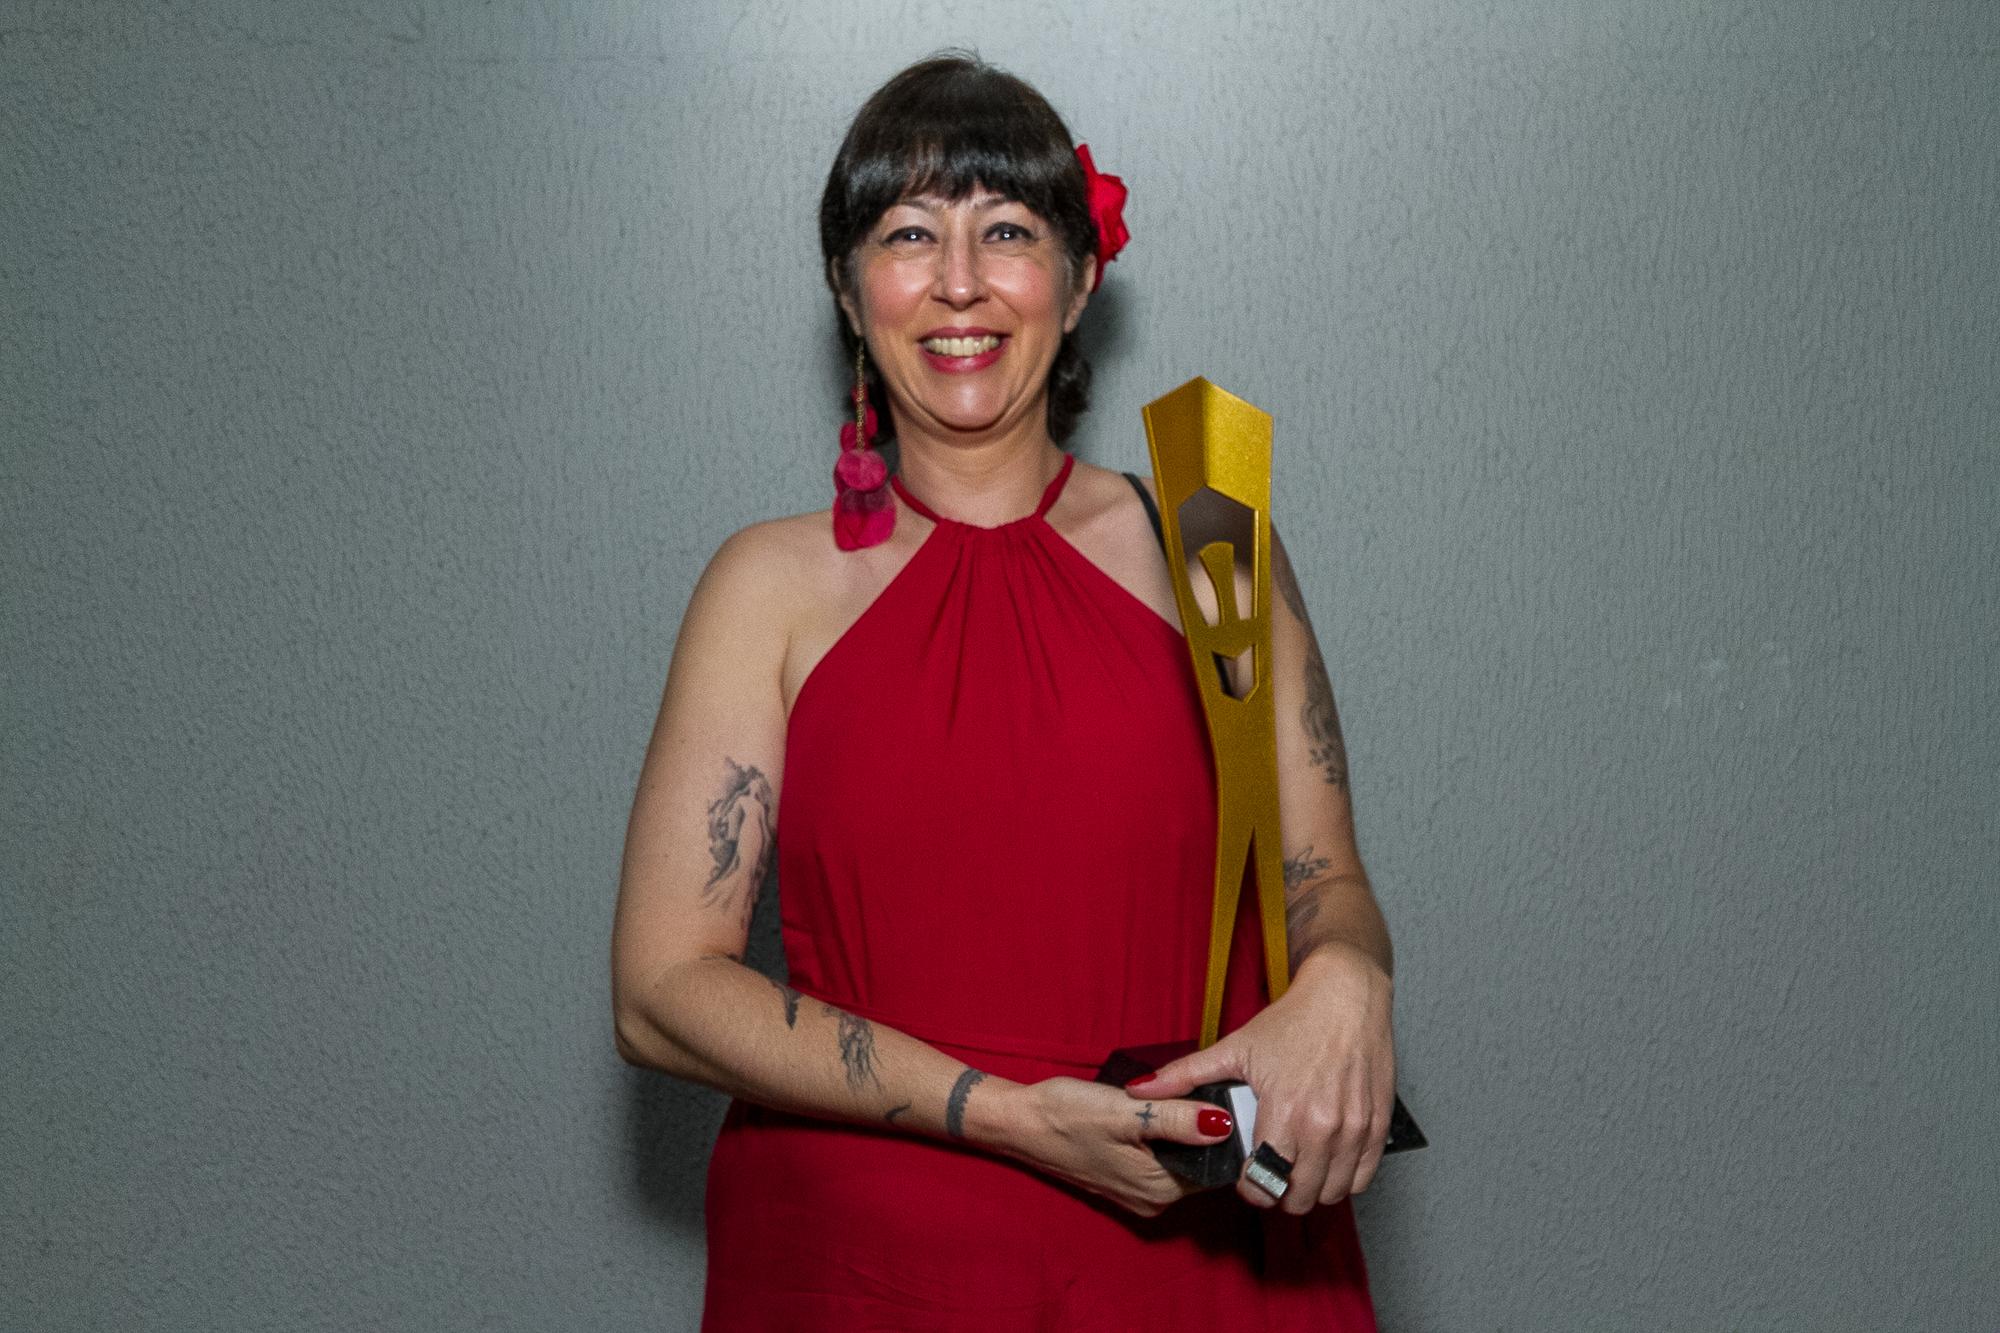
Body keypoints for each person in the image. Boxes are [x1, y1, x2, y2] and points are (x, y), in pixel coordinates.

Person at [611, 52, 1397, 1330]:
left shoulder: (1214, 537)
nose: (959, 280)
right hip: (864, 1271)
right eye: (907, 233)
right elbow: (659, 991)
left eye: (1008, 230)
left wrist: (1351, 976)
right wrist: (1003, 1113)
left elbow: (1321, 881)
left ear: (1079, 280)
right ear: (848, 290)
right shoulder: (763, 587)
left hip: (1201, 1262)